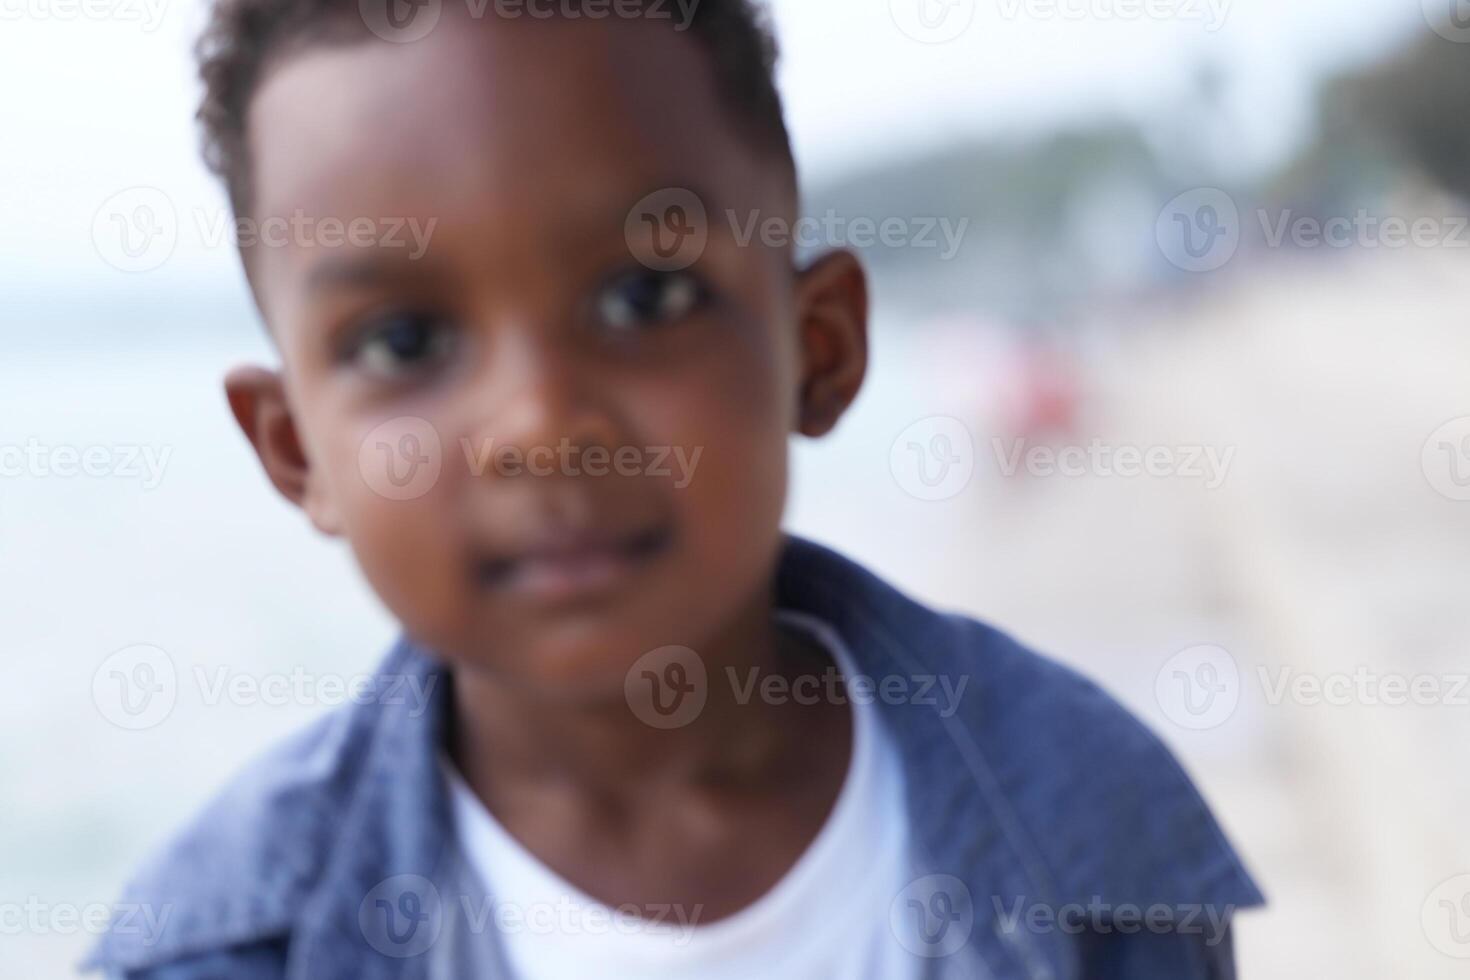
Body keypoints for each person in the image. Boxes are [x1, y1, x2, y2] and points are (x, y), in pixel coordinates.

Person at [85, 2, 1262, 976]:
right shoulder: (219, 947)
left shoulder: (1089, 823)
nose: (542, 428)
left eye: (644, 300)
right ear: (295, 451)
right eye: (403, 342)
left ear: (821, 349)